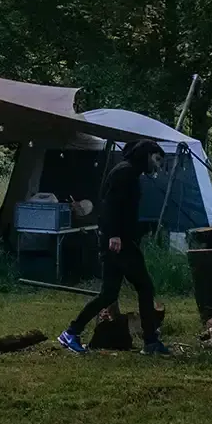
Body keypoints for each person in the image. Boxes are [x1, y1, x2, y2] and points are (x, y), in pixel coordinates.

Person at [59, 140, 169, 356]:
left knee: (108, 294)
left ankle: (71, 332)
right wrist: (115, 235)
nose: (156, 166)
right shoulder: (125, 172)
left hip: (120, 241)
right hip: (119, 243)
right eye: (156, 160)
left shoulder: (130, 172)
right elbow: (110, 205)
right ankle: (150, 342)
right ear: (146, 155)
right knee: (145, 287)